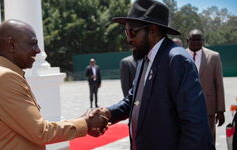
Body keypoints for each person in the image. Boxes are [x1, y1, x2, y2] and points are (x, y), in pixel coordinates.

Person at [90, 0, 215, 149]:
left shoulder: (177, 60)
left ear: (153, 30)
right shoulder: (144, 57)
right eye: (126, 32)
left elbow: (195, 126)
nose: (128, 39)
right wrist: (108, 113)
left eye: (132, 32)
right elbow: (133, 100)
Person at [0, 19, 108, 150]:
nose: (38, 50)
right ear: (11, 45)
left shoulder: (4, 74)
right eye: (32, 44)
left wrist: (82, 121)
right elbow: (41, 132)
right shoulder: (5, 78)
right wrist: (85, 123)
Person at [186, 29, 226, 143]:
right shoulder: (179, 55)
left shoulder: (214, 56)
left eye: (198, 40)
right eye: (192, 40)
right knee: (188, 140)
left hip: (208, 108)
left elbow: (219, 84)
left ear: (203, 41)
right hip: (185, 108)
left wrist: (220, 110)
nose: (195, 42)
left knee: (208, 139)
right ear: (187, 41)